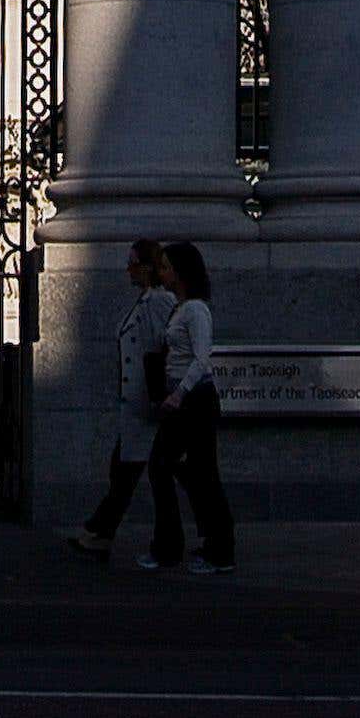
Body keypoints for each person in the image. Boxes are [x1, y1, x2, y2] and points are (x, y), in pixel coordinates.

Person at [65, 239, 173, 563]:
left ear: (148, 266)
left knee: (137, 474)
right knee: (127, 472)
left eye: (133, 262)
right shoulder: (144, 301)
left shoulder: (158, 302)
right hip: (136, 404)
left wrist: (158, 396)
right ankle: (100, 533)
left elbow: (159, 348)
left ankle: (101, 533)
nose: (128, 268)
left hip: (146, 404)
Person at [144, 239, 238, 574]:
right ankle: (174, 545)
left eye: (167, 267)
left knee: (200, 474)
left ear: (182, 272)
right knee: (166, 467)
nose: (162, 272)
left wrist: (178, 393)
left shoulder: (196, 310)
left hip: (195, 400)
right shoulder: (179, 307)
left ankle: (218, 549)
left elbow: (201, 358)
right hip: (182, 400)